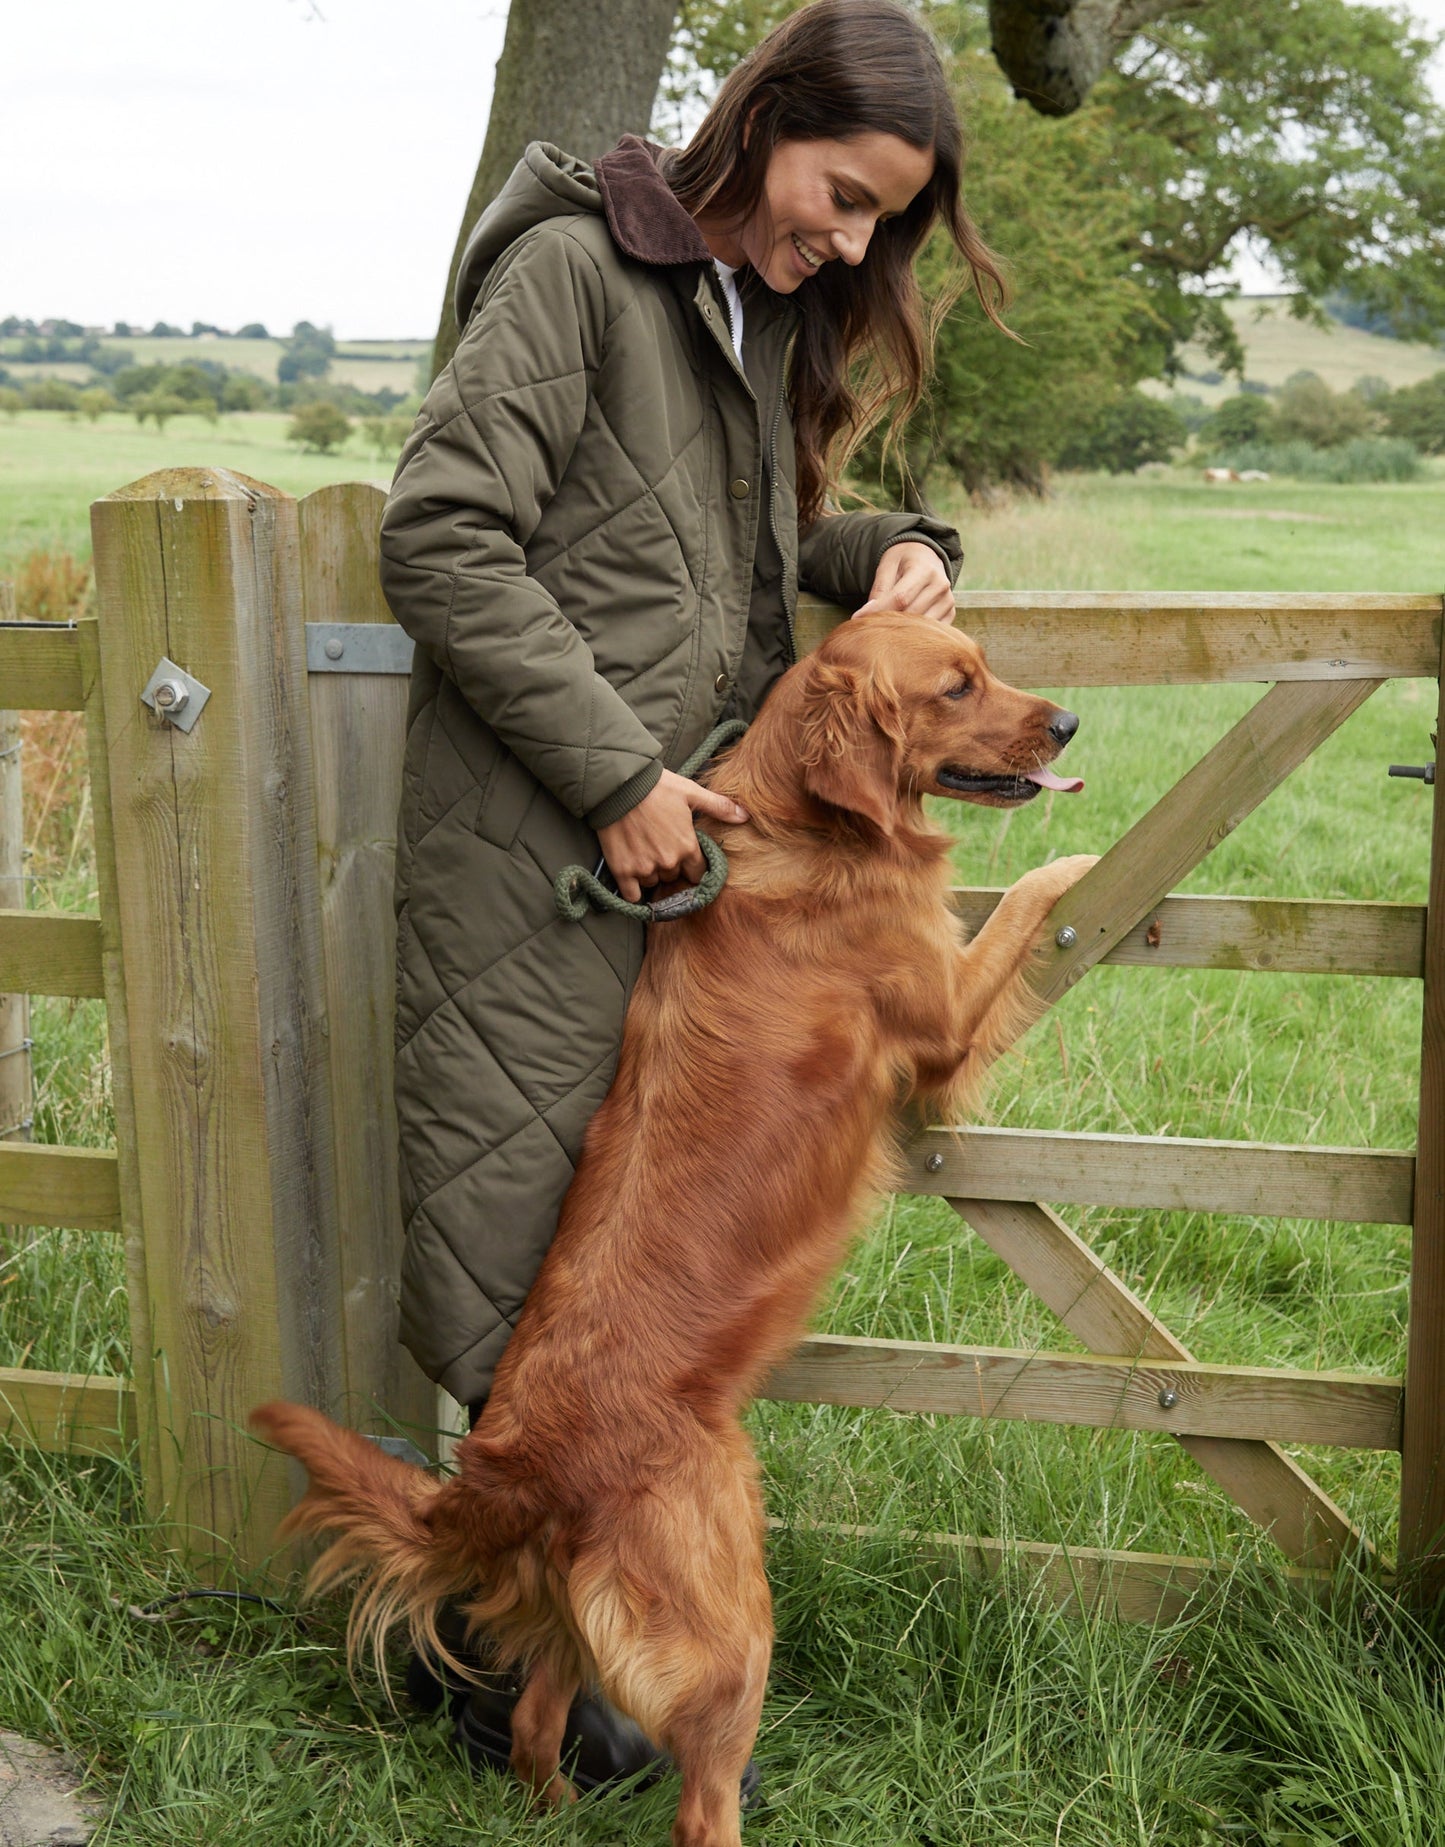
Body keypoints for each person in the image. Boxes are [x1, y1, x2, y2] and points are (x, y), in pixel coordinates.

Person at [377, 0, 1005, 1793]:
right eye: (841, 192)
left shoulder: (740, 312)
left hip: (675, 871)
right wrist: (613, 772)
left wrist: (882, 556)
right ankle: (502, 1672)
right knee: (533, 1283)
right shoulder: (580, 272)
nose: (853, 240)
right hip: (542, 862)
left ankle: (557, 1691)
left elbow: (699, 555)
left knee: (617, 1291)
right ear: (763, 121)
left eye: (884, 217)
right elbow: (440, 531)